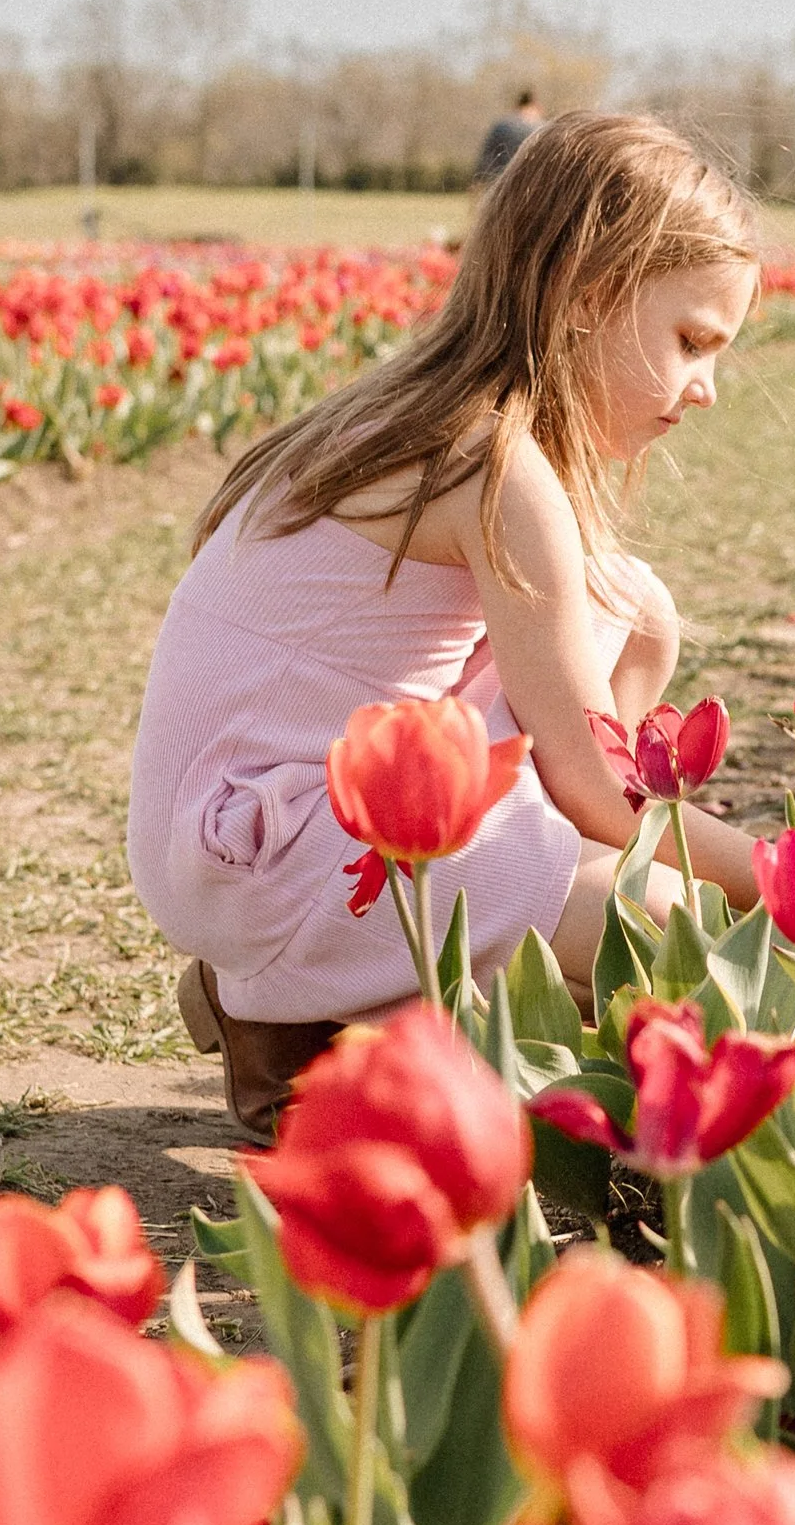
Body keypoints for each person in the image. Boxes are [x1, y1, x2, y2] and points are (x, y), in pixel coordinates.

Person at [129, 110, 763, 1138]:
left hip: (244, 824)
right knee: (670, 931)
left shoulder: (426, 418)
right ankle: (301, 985)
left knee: (633, 610)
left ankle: (290, 1013)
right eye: (691, 340)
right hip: (269, 850)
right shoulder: (489, 464)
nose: (708, 387)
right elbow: (597, 788)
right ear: (587, 297)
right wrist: (778, 875)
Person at [473, 87, 543, 188]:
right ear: (535, 105)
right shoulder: (541, 127)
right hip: (532, 183)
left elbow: (487, 156)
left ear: (517, 104)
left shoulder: (501, 126)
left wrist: (479, 180)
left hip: (502, 182)